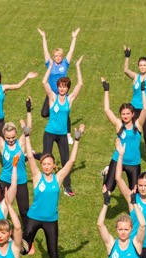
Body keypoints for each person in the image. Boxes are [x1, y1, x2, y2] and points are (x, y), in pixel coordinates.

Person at [21, 122, 84, 258]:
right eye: (44, 164)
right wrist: (26, 136)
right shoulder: (37, 176)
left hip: (51, 220)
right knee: (24, 250)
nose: (46, 166)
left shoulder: (58, 178)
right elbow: (29, 156)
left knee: (53, 252)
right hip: (33, 218)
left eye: (49, 164)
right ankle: (13, 240)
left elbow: (71, 161)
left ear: (54, 165)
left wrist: (77, 140)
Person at [40, 56, 84, 196]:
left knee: (66, 160)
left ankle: (67, 187)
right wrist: (50, 67)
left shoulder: (69, 100)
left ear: (67, 88)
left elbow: (80, 84)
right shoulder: (52, 97)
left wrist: (77, 67)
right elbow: (44, 82)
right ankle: (44, 183)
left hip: (62, 134)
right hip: (49, 133)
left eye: (64, 87)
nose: (62, 89)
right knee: (46, 158)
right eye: (60, 86)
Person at [100, 78, 146, 194]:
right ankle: (107, 175)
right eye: (123, 114)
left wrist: (143, 91)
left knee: (135, 193)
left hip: (134, 163)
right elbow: (107, 110)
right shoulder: (118, 124)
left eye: (128, 113)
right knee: (107, 190)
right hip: (118, 160)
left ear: (133, 114)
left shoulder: (138, 125)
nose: (125, 116)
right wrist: (106, 90)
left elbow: (145, 109)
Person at [121, 44, 146, 169]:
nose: (142, 67)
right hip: (134, 110)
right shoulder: (135, 77)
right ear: (138, 66)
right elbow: (126, 70)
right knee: (131, 133)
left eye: (144, 65)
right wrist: (127, 56)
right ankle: (127, 157)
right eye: (140, 65)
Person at [0, 110, 32, 219]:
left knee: (24, 211)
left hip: (21, 181)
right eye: (8, 138)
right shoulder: (3, 145)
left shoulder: (21, 143)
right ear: (4, 136)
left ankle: (26, 230)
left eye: (13, 137)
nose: (11, 140)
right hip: (5, 180)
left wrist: (28, 110)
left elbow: (29, 128)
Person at [37, 27, 81, 117]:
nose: (58, 57)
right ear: (53, 56)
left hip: (62, 93)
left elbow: (71, 51)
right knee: (44, 114)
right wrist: (43, 37)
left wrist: (74, 37)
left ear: (62, 57)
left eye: (60, 56)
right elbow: (45, 51)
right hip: (51, 93)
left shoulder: (65, 63)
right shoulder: (50, 64)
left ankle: (63, 123)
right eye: (56, 56)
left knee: (63, 114)